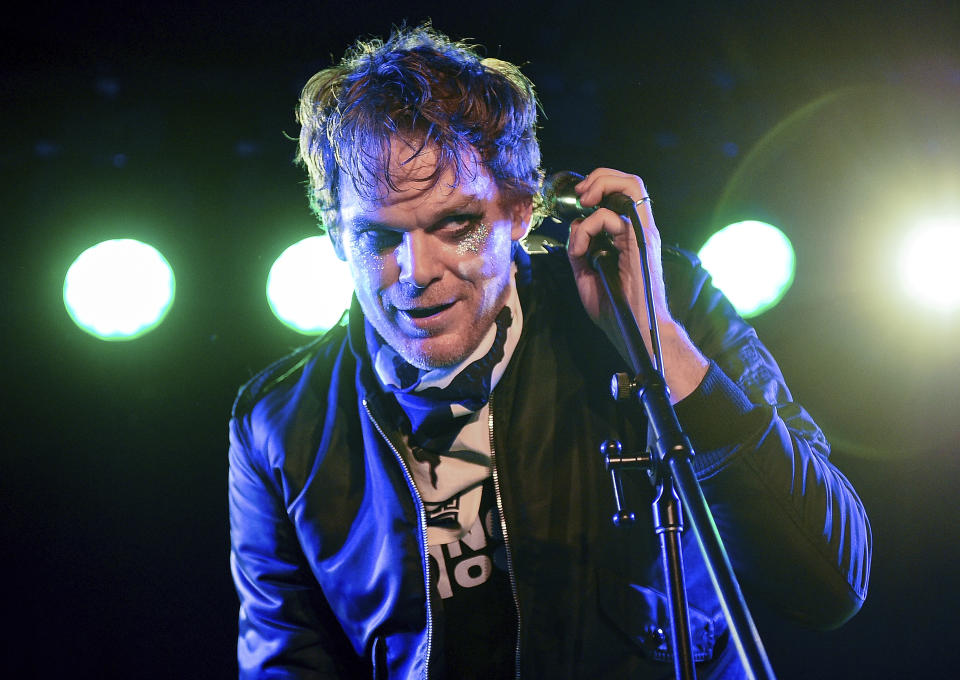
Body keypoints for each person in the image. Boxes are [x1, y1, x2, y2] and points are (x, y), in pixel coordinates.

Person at [228, 24, 871, 679]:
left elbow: (828, 583)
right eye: (378, 237)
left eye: (456, 225)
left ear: (522, 209)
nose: (417, 269)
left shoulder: (656, 298)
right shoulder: (280, 423)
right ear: (334, 233)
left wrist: (661, 349)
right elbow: (290, 661)